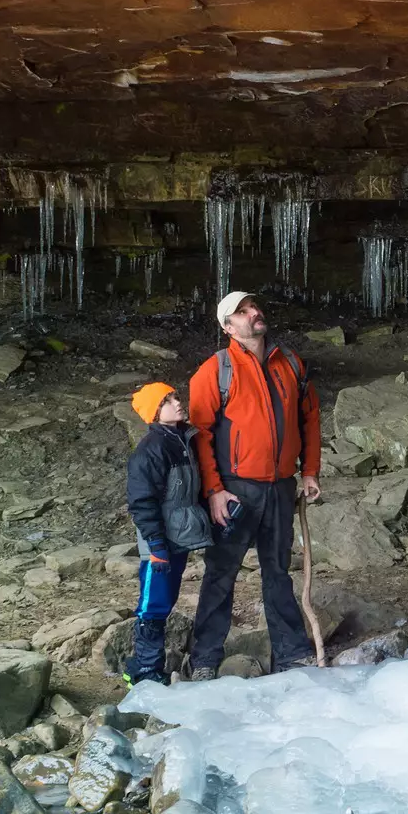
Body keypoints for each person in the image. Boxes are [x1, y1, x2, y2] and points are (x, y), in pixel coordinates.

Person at [185, 290, 322, 678]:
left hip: (280, 486)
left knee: (278, 570)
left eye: (254, 307)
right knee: (221, 573)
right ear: (228, 326)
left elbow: (309, 418)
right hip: (234, 489)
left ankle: (292, 653)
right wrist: (213, 491)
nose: (254, 313)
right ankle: (205, 658)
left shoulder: (290, 363)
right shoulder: (215, 371)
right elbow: (200, 434)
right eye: (242, 312)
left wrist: (309, 470)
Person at [121, 382, 205, 687]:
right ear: (154, 413)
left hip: (178, 536)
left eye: (175, 397)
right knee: (152, 604)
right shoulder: (150, 450)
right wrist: (156, 545)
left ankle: (148, 666)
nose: (177, 403)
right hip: (159, 542)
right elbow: (142, 502)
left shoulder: (182, 439)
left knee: (165, 599)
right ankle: (143, 670)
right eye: (167, 401)